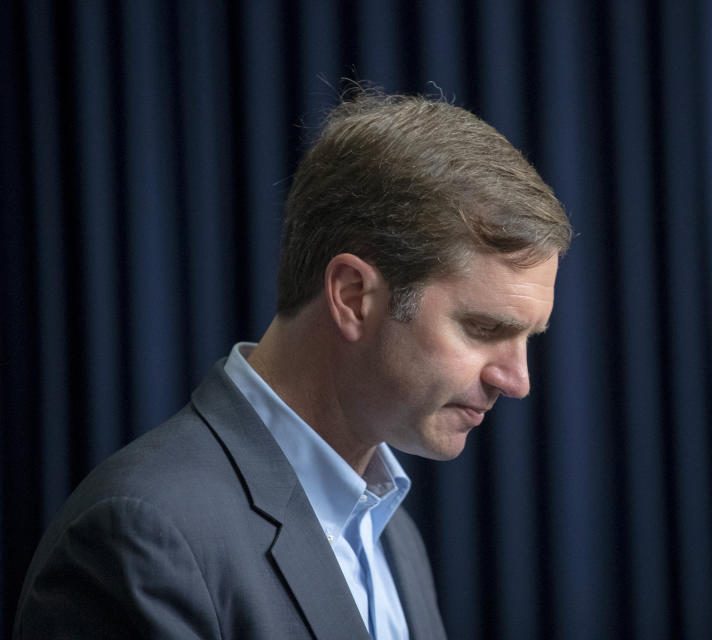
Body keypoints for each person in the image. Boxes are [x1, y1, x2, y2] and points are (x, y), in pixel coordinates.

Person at [13, 92, 572, 639]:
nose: (517, 381)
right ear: (353, 296)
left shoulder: (394, 536)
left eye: (528, 338)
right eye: (484, 328)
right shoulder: (144, 536)